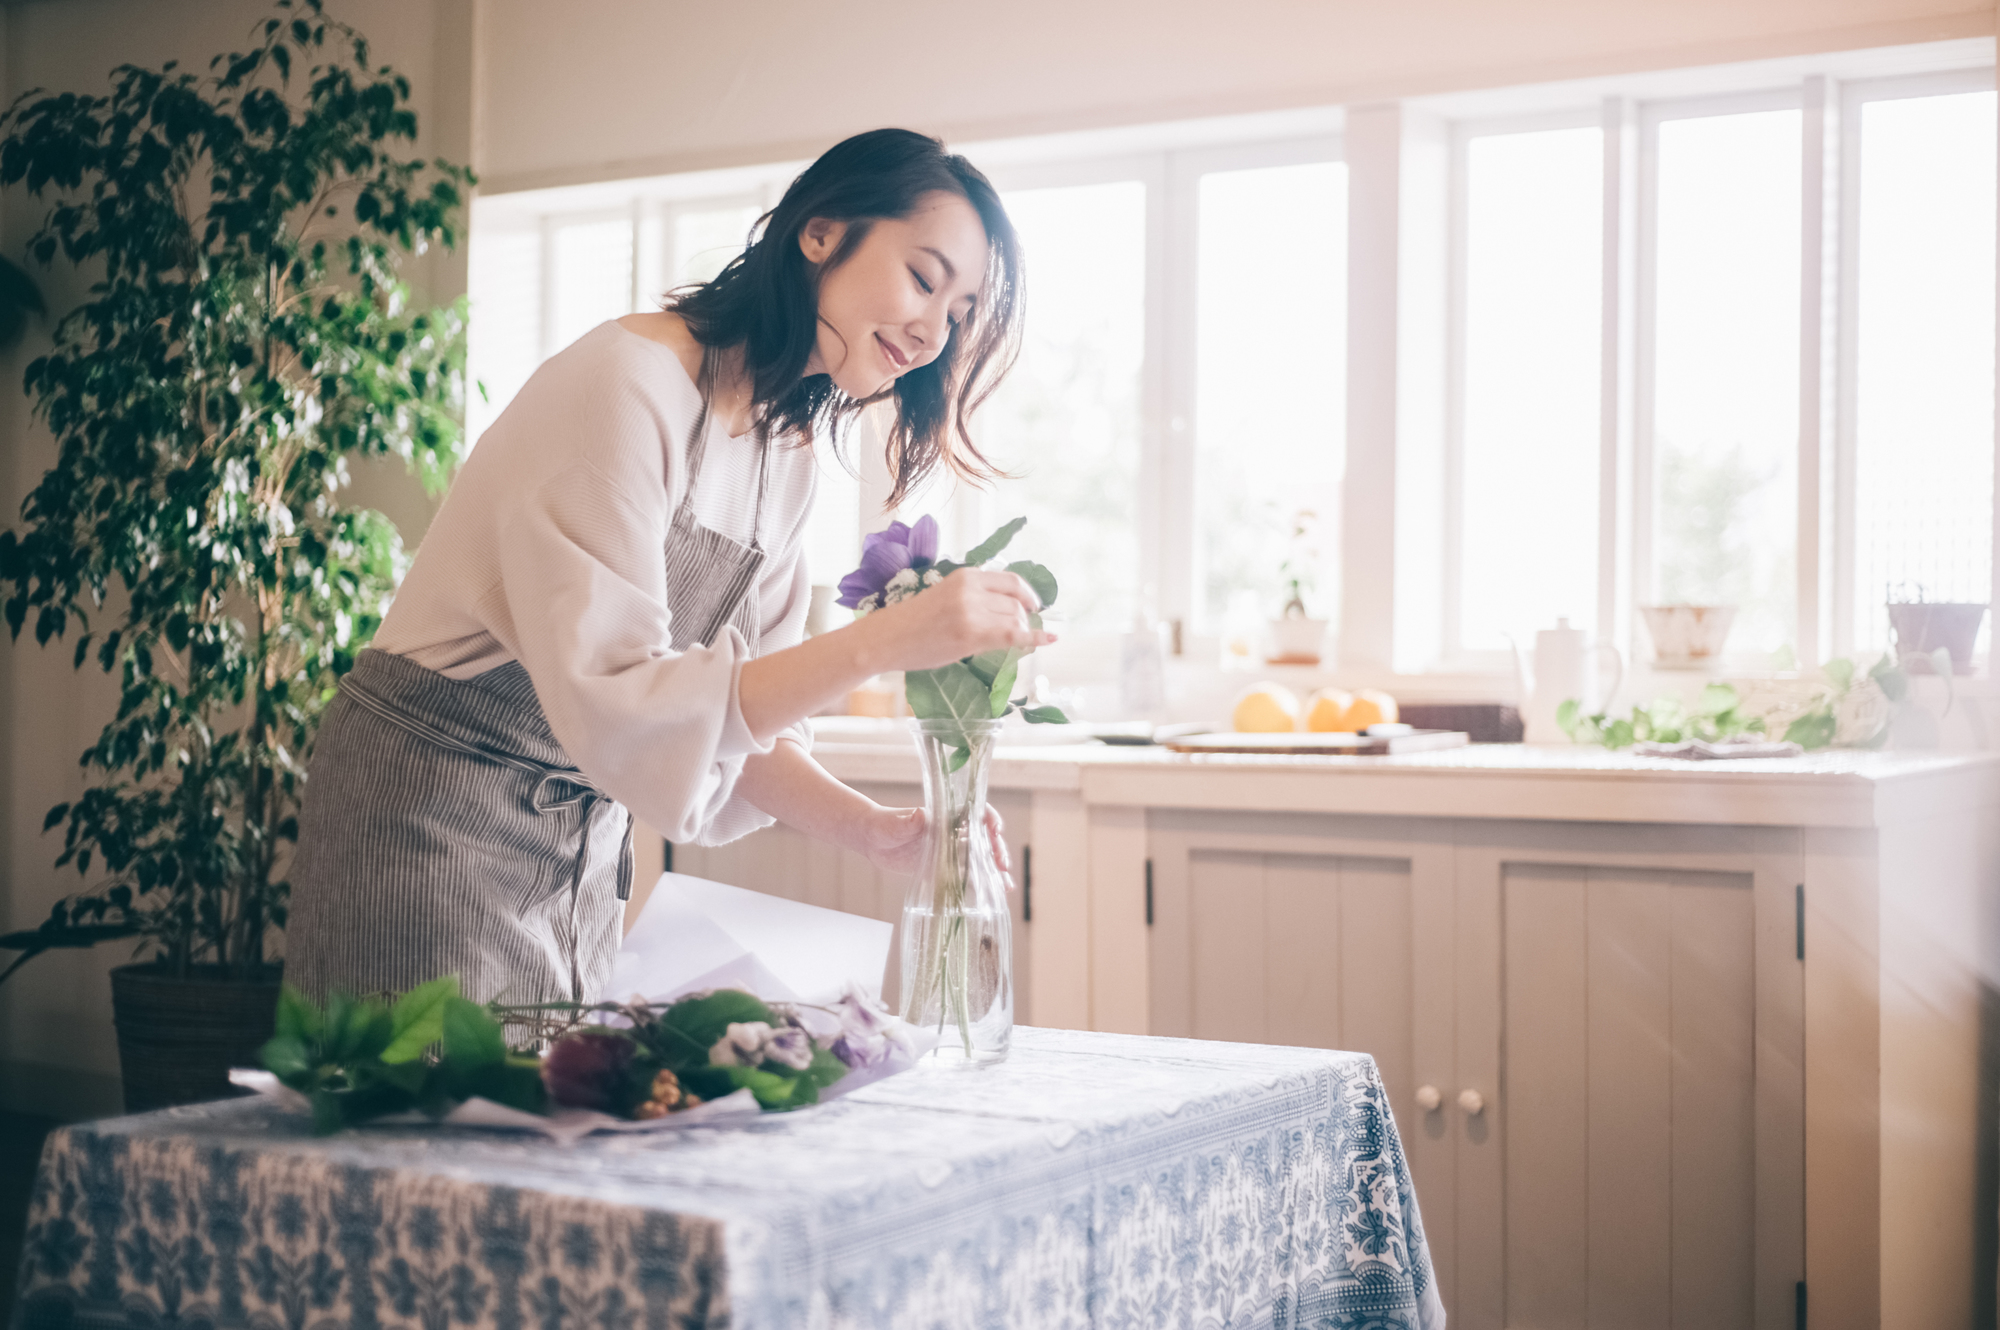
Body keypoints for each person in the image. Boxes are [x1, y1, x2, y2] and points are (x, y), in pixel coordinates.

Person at [285, 128, 1048, 1012]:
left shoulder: (783, 452)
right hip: (424, 819)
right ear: (822, 232)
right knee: (422, 1137)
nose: (931, 331)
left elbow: (735, 724)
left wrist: (875, 834)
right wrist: (883, 643)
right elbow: (621, 698)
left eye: (959, 315)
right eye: (923, 278)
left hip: (572, 847)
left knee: (552, 1135)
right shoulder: (627, 382)